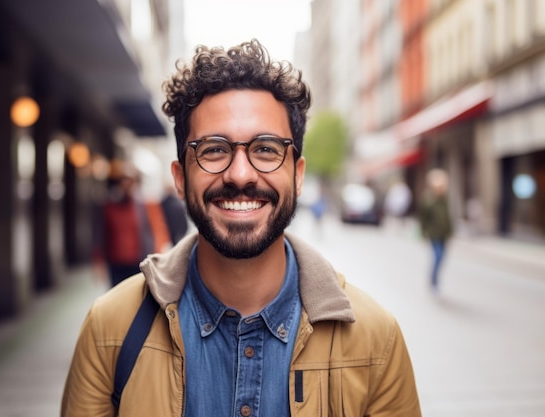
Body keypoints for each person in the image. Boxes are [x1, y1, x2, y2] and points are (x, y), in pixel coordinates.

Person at [62, 39, 421, 417]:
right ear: (181, 178)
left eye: (266, 149)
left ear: (297, 175)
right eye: (214, 149)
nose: (240, 174)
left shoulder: (376, 340)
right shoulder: (109, 329)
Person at [92, 168, 155, 287]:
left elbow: (148, 233)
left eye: (130, 181)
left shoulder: (141, 206)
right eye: (124, 180)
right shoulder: (109, 206)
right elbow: (99, 234)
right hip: (116, 262)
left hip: (137, 261)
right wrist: (98, 261)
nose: (127, 185)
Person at [418, 168, 453, 292]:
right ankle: (434, 280)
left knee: (442, 257)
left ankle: (435, 279)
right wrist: (423, 234)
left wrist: (451, 231)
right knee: (437, 256)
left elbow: (448, 216)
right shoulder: (428, 199)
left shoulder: (444, 198)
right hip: (434, 234)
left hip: (444, 233)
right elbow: (423, 219)